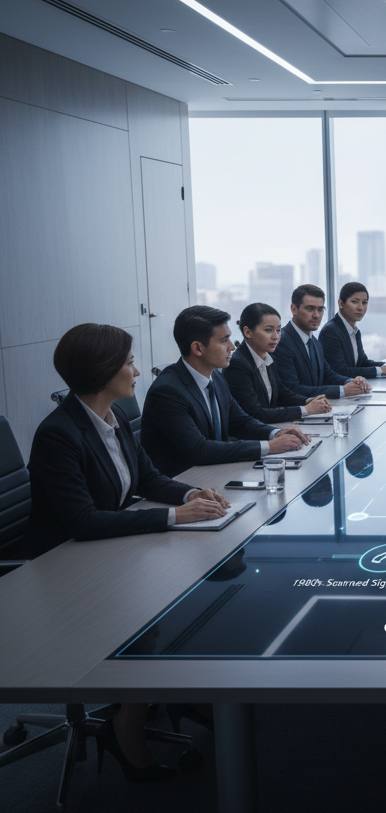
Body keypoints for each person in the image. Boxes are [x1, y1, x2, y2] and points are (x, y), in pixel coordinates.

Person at [27, 323, 229, 781]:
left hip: (111, 550)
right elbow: (81, 521)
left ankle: (184, 696)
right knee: (155, 614)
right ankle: (126, 725)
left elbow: (149, 480)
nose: (137, 372)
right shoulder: (59, 434)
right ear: (102, 371)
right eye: (129, 363)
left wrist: (194, 494)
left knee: (192, 593)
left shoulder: (114, 418)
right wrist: (176, 518)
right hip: (64, 568)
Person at [141, 306, 310, 478]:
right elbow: (200, 450)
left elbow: (240, 421)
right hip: (186, 483)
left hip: (217, 474)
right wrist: (269, 446)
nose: (232, 347)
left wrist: (275, 433)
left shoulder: (216, 377)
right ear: (197, 348)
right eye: (224, 341)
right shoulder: (167, 392)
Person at [225, 302, 333, 423]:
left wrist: (307, 401)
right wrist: (305, 410)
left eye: (278, 330)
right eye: (268, 330)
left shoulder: (267, 357)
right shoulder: (238, 365)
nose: (276, 336)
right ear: (248, 332)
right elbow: (255, 413)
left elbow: (282, 392)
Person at [273, 284, 370, 400]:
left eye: (320, 310)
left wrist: (352, 382)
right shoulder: (281, 342)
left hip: (318, 411)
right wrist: (342, 390)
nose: (316, 315)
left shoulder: (314, 342)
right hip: (298, 413)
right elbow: (293, 389)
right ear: (294, 309)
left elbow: (328, 375)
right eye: (310, 309)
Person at [318, 282, 386, 379]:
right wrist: (382, 370)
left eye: (364, 302)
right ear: (341, 304)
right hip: (343, 390)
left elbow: (363, 363)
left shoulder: (355, 331)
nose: (361, 308)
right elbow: (340, 371)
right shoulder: (330, 331)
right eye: (355, 302)